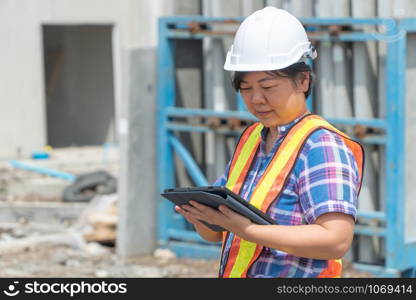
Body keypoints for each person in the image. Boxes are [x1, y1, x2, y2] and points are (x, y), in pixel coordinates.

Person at [175, 7, 364, 278]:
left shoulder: (320, 146)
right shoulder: (252, 139)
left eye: (268, 87)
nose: (256, 99)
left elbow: (336, 240)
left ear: (303, 80)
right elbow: (219, 235)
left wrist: (247, 230)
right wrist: (202, 217)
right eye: (246, 88)